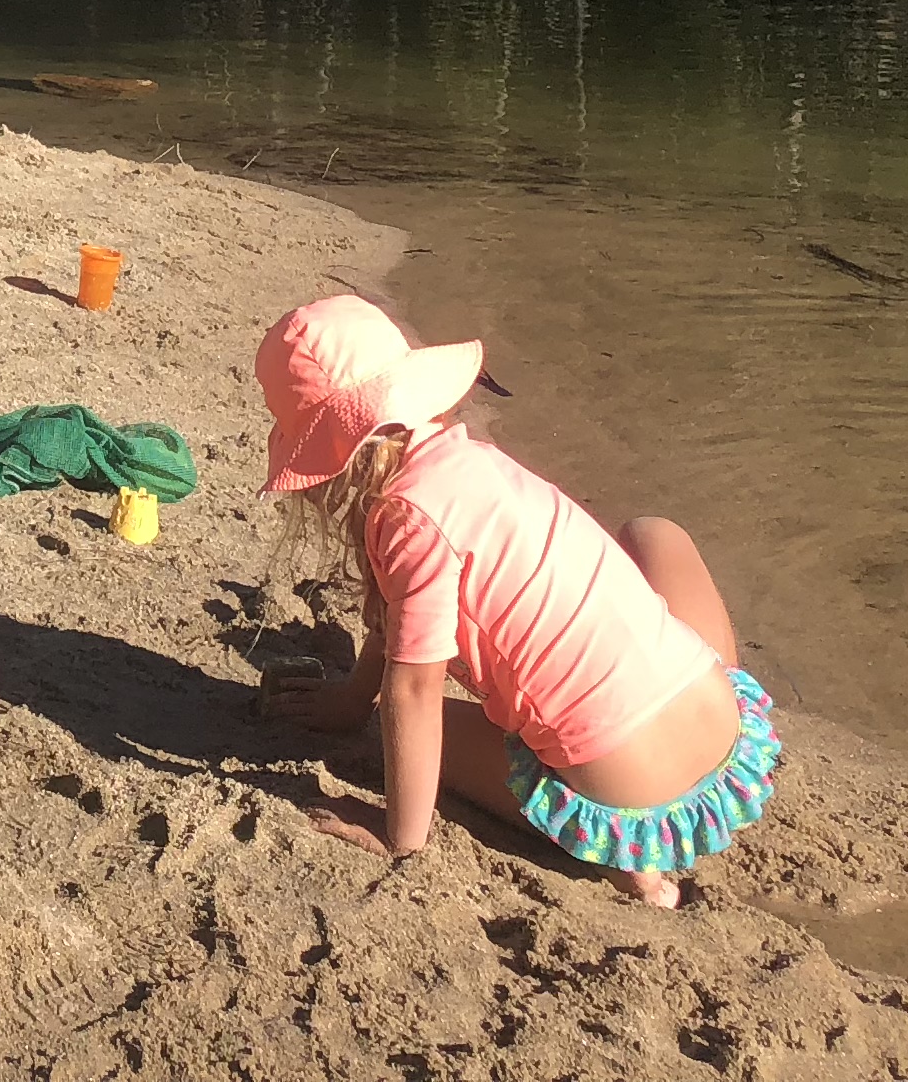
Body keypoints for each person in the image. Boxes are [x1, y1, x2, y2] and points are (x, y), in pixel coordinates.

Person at [255, 294, 777, 907]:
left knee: (399, 735)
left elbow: (415, 687)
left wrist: (400, 839)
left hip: (628, 797)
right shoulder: (470, 460)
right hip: (725, 737)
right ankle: (666, 765)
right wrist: (346, 698)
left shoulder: (406, 517)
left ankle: (632, 860)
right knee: (653, 533)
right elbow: (399, 616)